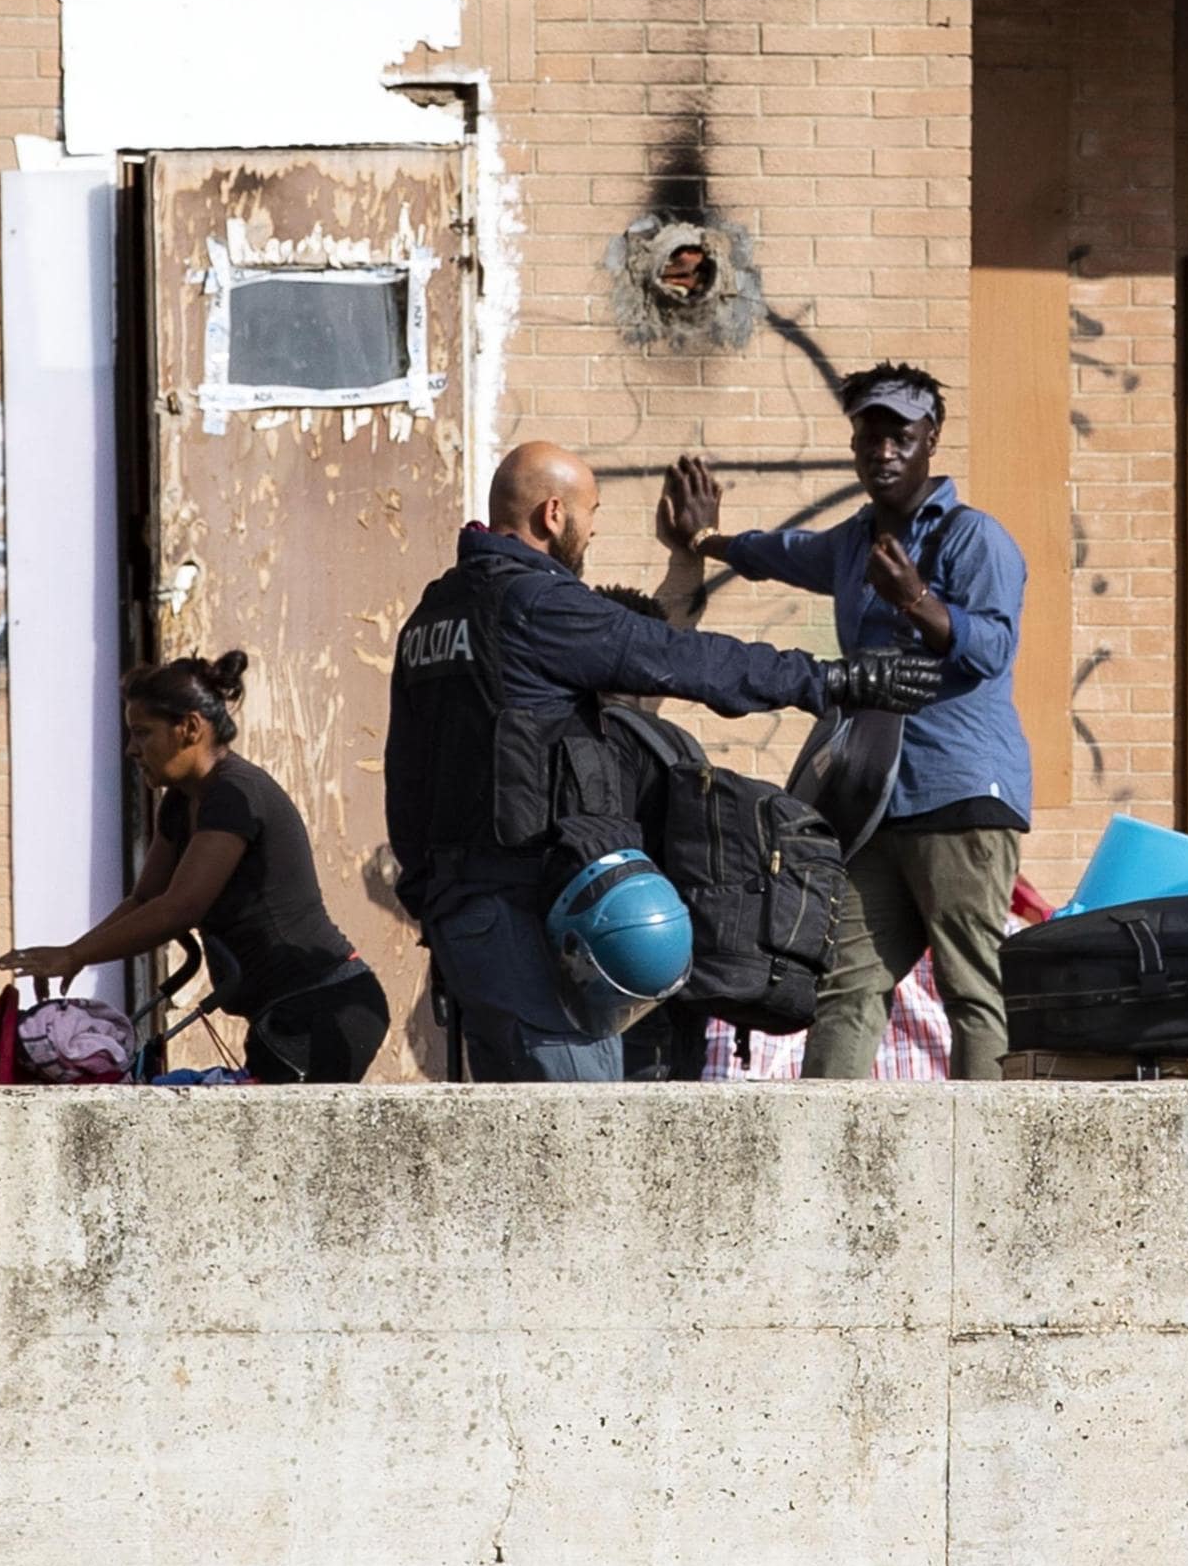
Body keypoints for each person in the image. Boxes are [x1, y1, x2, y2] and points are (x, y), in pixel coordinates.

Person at [385, 438, 937, 1084]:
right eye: (591, 513)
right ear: (553, 514)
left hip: (463, 921)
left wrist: (430, 902)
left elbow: (406, 779)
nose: (592, 531)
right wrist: (833, 681)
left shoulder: (434, 614)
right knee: (581, 1138)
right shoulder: (533, 602)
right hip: (522, 917)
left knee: (517, 1139)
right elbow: (677, 658)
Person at [656, 363, 1031, 1081]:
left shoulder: (972, 538)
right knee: (845, 985)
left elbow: (993, 649)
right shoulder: (853, 543)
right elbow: (781, 553)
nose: (882, 451)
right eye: (869, 437)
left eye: (900, 436)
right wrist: (706, 540)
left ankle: (992, 1168)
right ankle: (825, 1169)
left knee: (971, 988)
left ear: (931, 440)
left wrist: (919, 599)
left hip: (960, 796)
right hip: (870, 805)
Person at [0, 652, 390, 1084]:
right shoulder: (182, 801)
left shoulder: (235, 795)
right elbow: (146, 899)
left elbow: (180, 909)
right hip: (284, 1014)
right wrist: (76, 954)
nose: (131, 749)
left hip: (321, 1006)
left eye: (142, 733)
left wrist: (77, 954)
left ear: (190, 728)